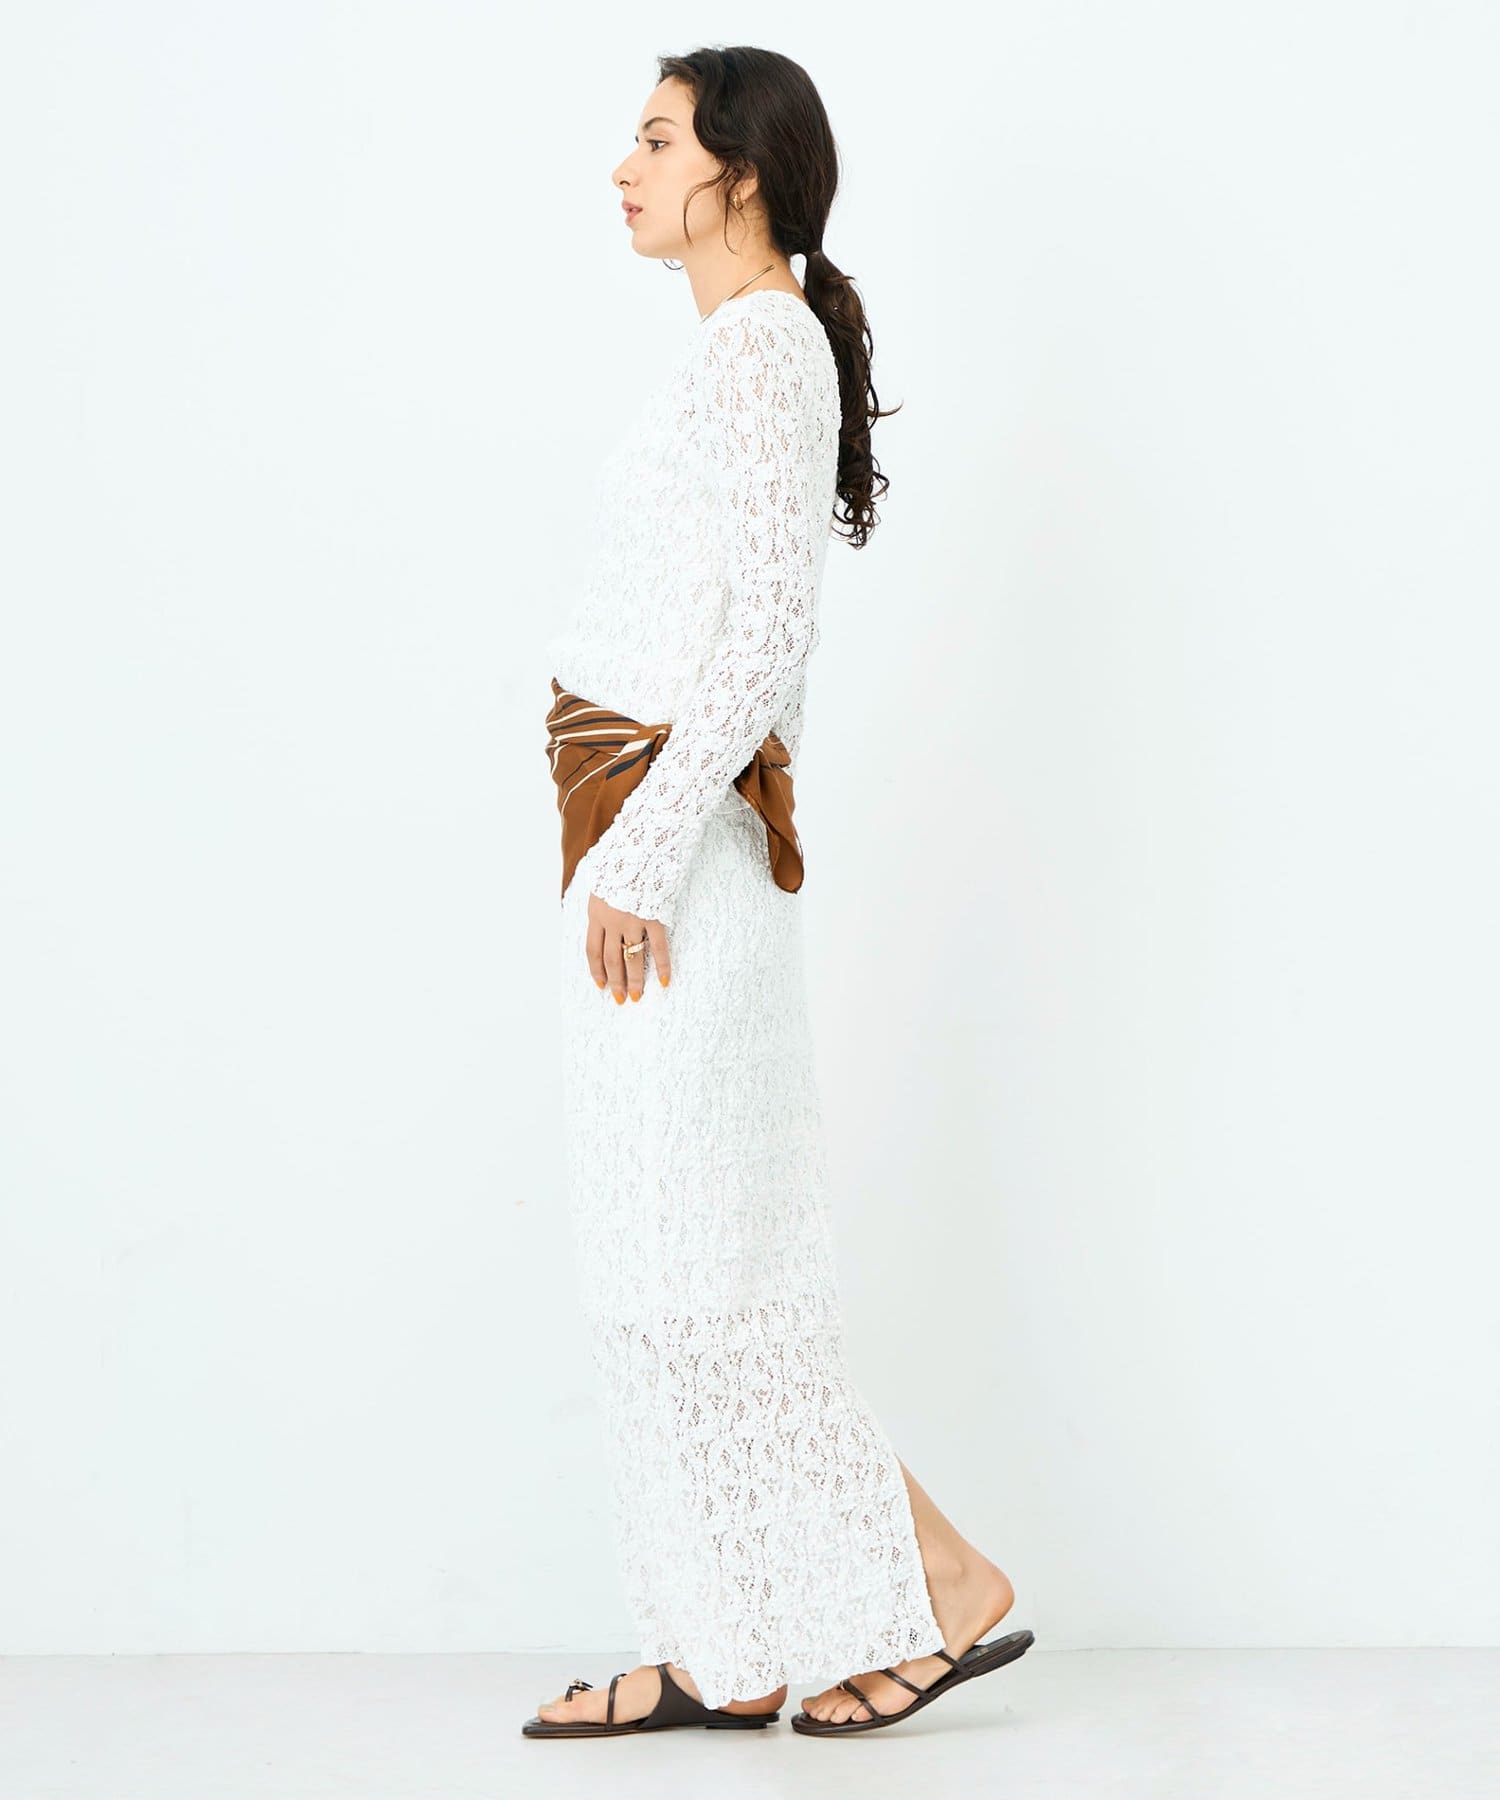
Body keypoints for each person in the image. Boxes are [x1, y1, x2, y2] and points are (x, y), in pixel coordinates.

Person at [526, 46, 1031, 1741]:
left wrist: (639, 856)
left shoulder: (762, 348)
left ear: (738, 174)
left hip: (673, 869)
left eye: (656, 140)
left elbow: (761, 647)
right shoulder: (739, 348)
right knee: (650, 1272)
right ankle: (722, 1642)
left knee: (714, 1278)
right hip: (637, 855)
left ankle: (945, 1584)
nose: (624, 169)